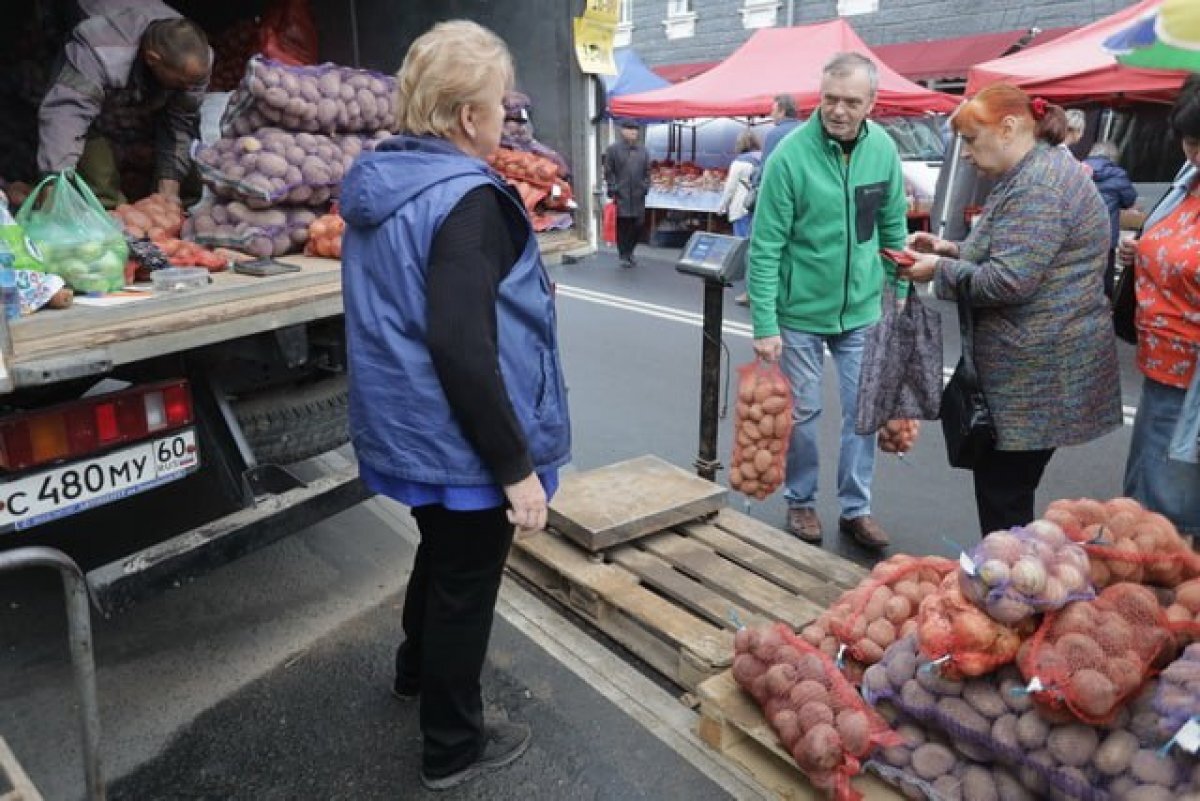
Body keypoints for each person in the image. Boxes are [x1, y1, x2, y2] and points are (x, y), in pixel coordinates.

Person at [340, 20, 571, 790]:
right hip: (459, 435)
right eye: (498, 103)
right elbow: (463, 347)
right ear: (468, 116)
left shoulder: (383, 182)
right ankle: (451, 743)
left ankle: (414, 672)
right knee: (466, 583)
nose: (506, 115)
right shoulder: (466, 200)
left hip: (408, 427)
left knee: (439, 554)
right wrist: (516, 468)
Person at [899, 84, 1122, 536]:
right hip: (1038, 367)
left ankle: (1012, 591)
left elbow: (1009, 280)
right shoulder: (1036, 170)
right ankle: (1012, 582)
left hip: (1035, 375)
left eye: (970, 139)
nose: (964, 153)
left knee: (1004, 499)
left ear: (1008, 128)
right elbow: (1017, 253)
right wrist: (952, 249)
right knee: (1007, 492)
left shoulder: (1038, 184)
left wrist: (938, 269)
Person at [747, 52, 908, 550]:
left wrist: (898, 294)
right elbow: (766, 245)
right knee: (803, 413)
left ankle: (856, 508)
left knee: (864, 411)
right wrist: (765, 323)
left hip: (861, 308)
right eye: (830, 99)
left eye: (851, 102)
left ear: (872, 103)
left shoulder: (882, 149)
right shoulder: (790, 156)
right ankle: (801, 501)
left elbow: (893, 226)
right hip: (799, 314)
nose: (838, 110)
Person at [1117, 73, 1200, 536]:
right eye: (1191, 140)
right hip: (1159, 369)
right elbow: (1170, 244)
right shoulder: (1187, 182)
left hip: (1194, 382)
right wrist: (1142, 249)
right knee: (1143, 504)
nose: (1198, 153)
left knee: (1173, 516)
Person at [35, 1, 211, 208]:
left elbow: (181, 122)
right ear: (153, 59)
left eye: (194, 82)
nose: (190, 87)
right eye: (182, 82)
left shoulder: (198, 62)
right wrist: (54, 180)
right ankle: (104, 213)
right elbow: (66, 114)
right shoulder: (102, 48)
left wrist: (169, 187)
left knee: (188, 183)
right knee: (99, 182)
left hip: (144, 85)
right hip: (89, 85)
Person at [1084, 141, 1137, 299]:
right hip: (1106, 236)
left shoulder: (1078, 168)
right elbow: (1129, 200)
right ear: (1113, 157)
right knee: (1105, 282)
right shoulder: (1118, 174)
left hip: (1080, 234)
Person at [603, 118, 651, 268]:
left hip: (638, 195)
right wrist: (613, 188)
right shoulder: (613, 150)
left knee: (638, 225)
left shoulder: (643, 151)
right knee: (623, 226)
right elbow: (609, 171)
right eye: (630, 129)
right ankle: (624, 254)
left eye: (635, 130)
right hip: (622, 194)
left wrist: (645, 187)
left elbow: (647, 172)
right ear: (622, 131)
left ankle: (630, 251)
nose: (633, 132)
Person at [718, 130, 761, 238]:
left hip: (742, 207)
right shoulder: (764, 158)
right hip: (759, 205)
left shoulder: (739, 163)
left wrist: (722, 206)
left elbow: (730, 188)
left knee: (741, 243)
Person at [760, 93, 801, 164]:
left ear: (782, 112)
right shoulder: (807, 130)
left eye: (773, 110)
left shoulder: (774, 135)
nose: (771, 114)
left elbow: (765, 166)